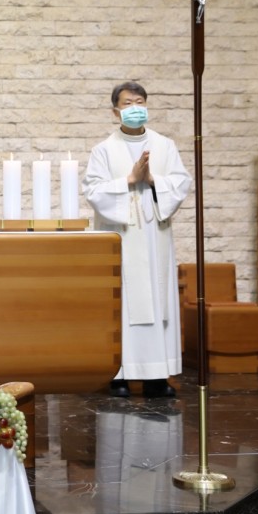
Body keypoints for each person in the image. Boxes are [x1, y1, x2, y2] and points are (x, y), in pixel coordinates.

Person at [82, 81, 192, 398]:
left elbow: (181, 182)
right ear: (115, 110)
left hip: (154, 236)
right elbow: (93, 191)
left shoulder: (164, 146)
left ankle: (157, 376)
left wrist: (152, 179)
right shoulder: (103, 150)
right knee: (122, 303)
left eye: (139, 102)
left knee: (157, 300)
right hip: (122, 237)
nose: (134, 108)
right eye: (127, 103)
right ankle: (119, 375)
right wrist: (129, 179)